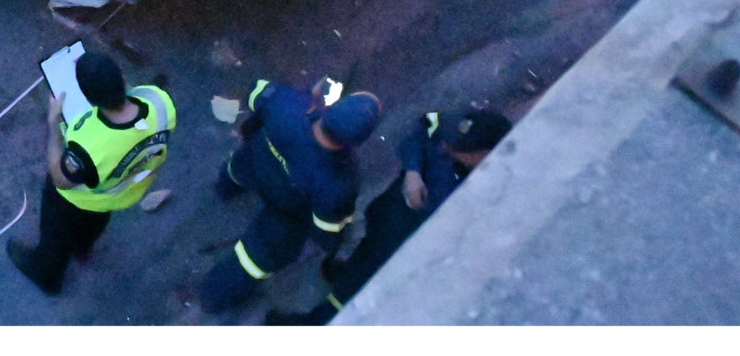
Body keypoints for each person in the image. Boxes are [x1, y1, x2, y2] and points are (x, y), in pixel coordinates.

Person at [269, 106, 512, 323]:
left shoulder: (486, 193)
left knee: (360, 284)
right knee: (364, 255)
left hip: (406, 243)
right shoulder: (462, 126)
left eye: (457, 148)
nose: (445, 147)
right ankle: (347, 274)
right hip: (388, 217)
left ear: (483, 155)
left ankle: (317, 323)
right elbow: (419, 133)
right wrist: (413, 171)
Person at [199, 79, 378, 314]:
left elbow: (256, 93)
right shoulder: (340, 182)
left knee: (234, 170)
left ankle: (224, 190)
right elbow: (326, 230)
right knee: (254, 261)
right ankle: (213, 297)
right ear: (354, 142)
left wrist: (306, 97)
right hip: (284, 214)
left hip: (253, 165)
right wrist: (333, 244)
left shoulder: (288, 103)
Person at [7, 49, 176, 294]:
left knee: (56, 235)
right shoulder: (159, 101)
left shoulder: (89, 145)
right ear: (122, 78)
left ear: (89, 99)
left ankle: (47, 275)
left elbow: (61, 179)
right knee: (92, 225)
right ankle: (82, 249)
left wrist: (53, 122)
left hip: (79, 199)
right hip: (118, 194)